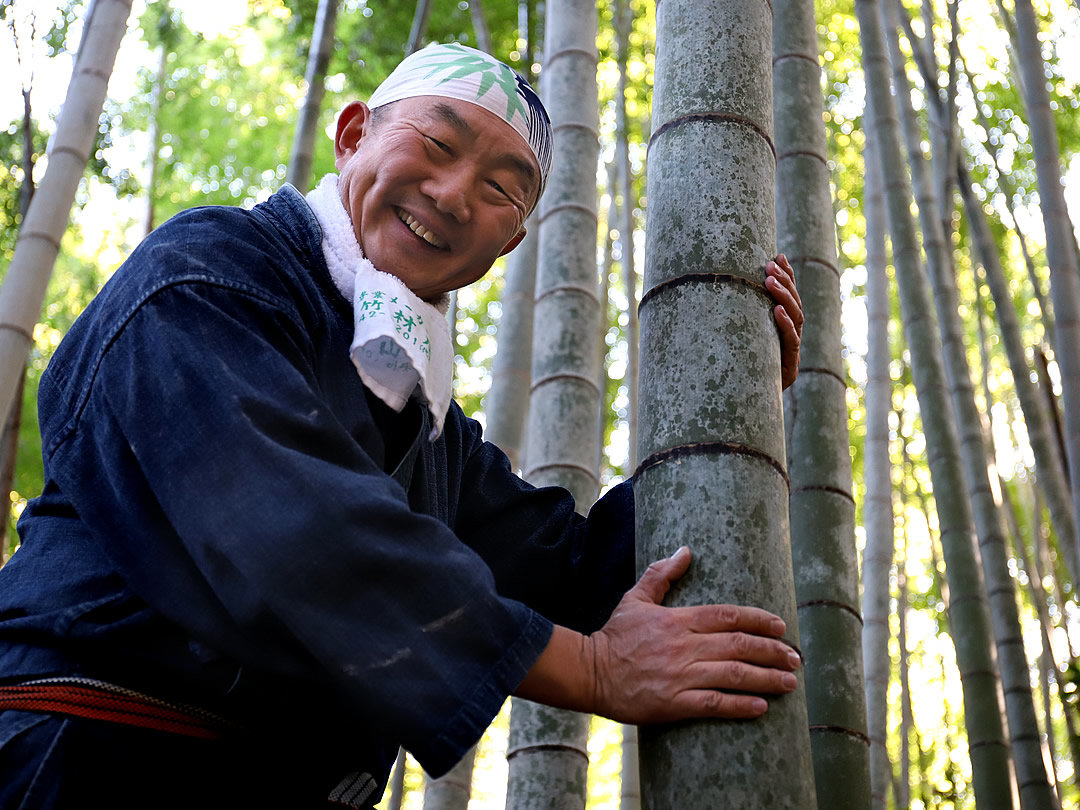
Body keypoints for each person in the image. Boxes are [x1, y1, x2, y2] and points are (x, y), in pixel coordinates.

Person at [0, 43, 805, 808]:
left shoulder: (424, 419)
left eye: (500, 188)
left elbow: (577, 566)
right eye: (437, 143)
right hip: (86, 749)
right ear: (354, 135)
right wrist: (593, 670)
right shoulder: (208, 274)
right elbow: (302, 536)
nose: (455, 195)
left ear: (511, 239)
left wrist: (746, 398)